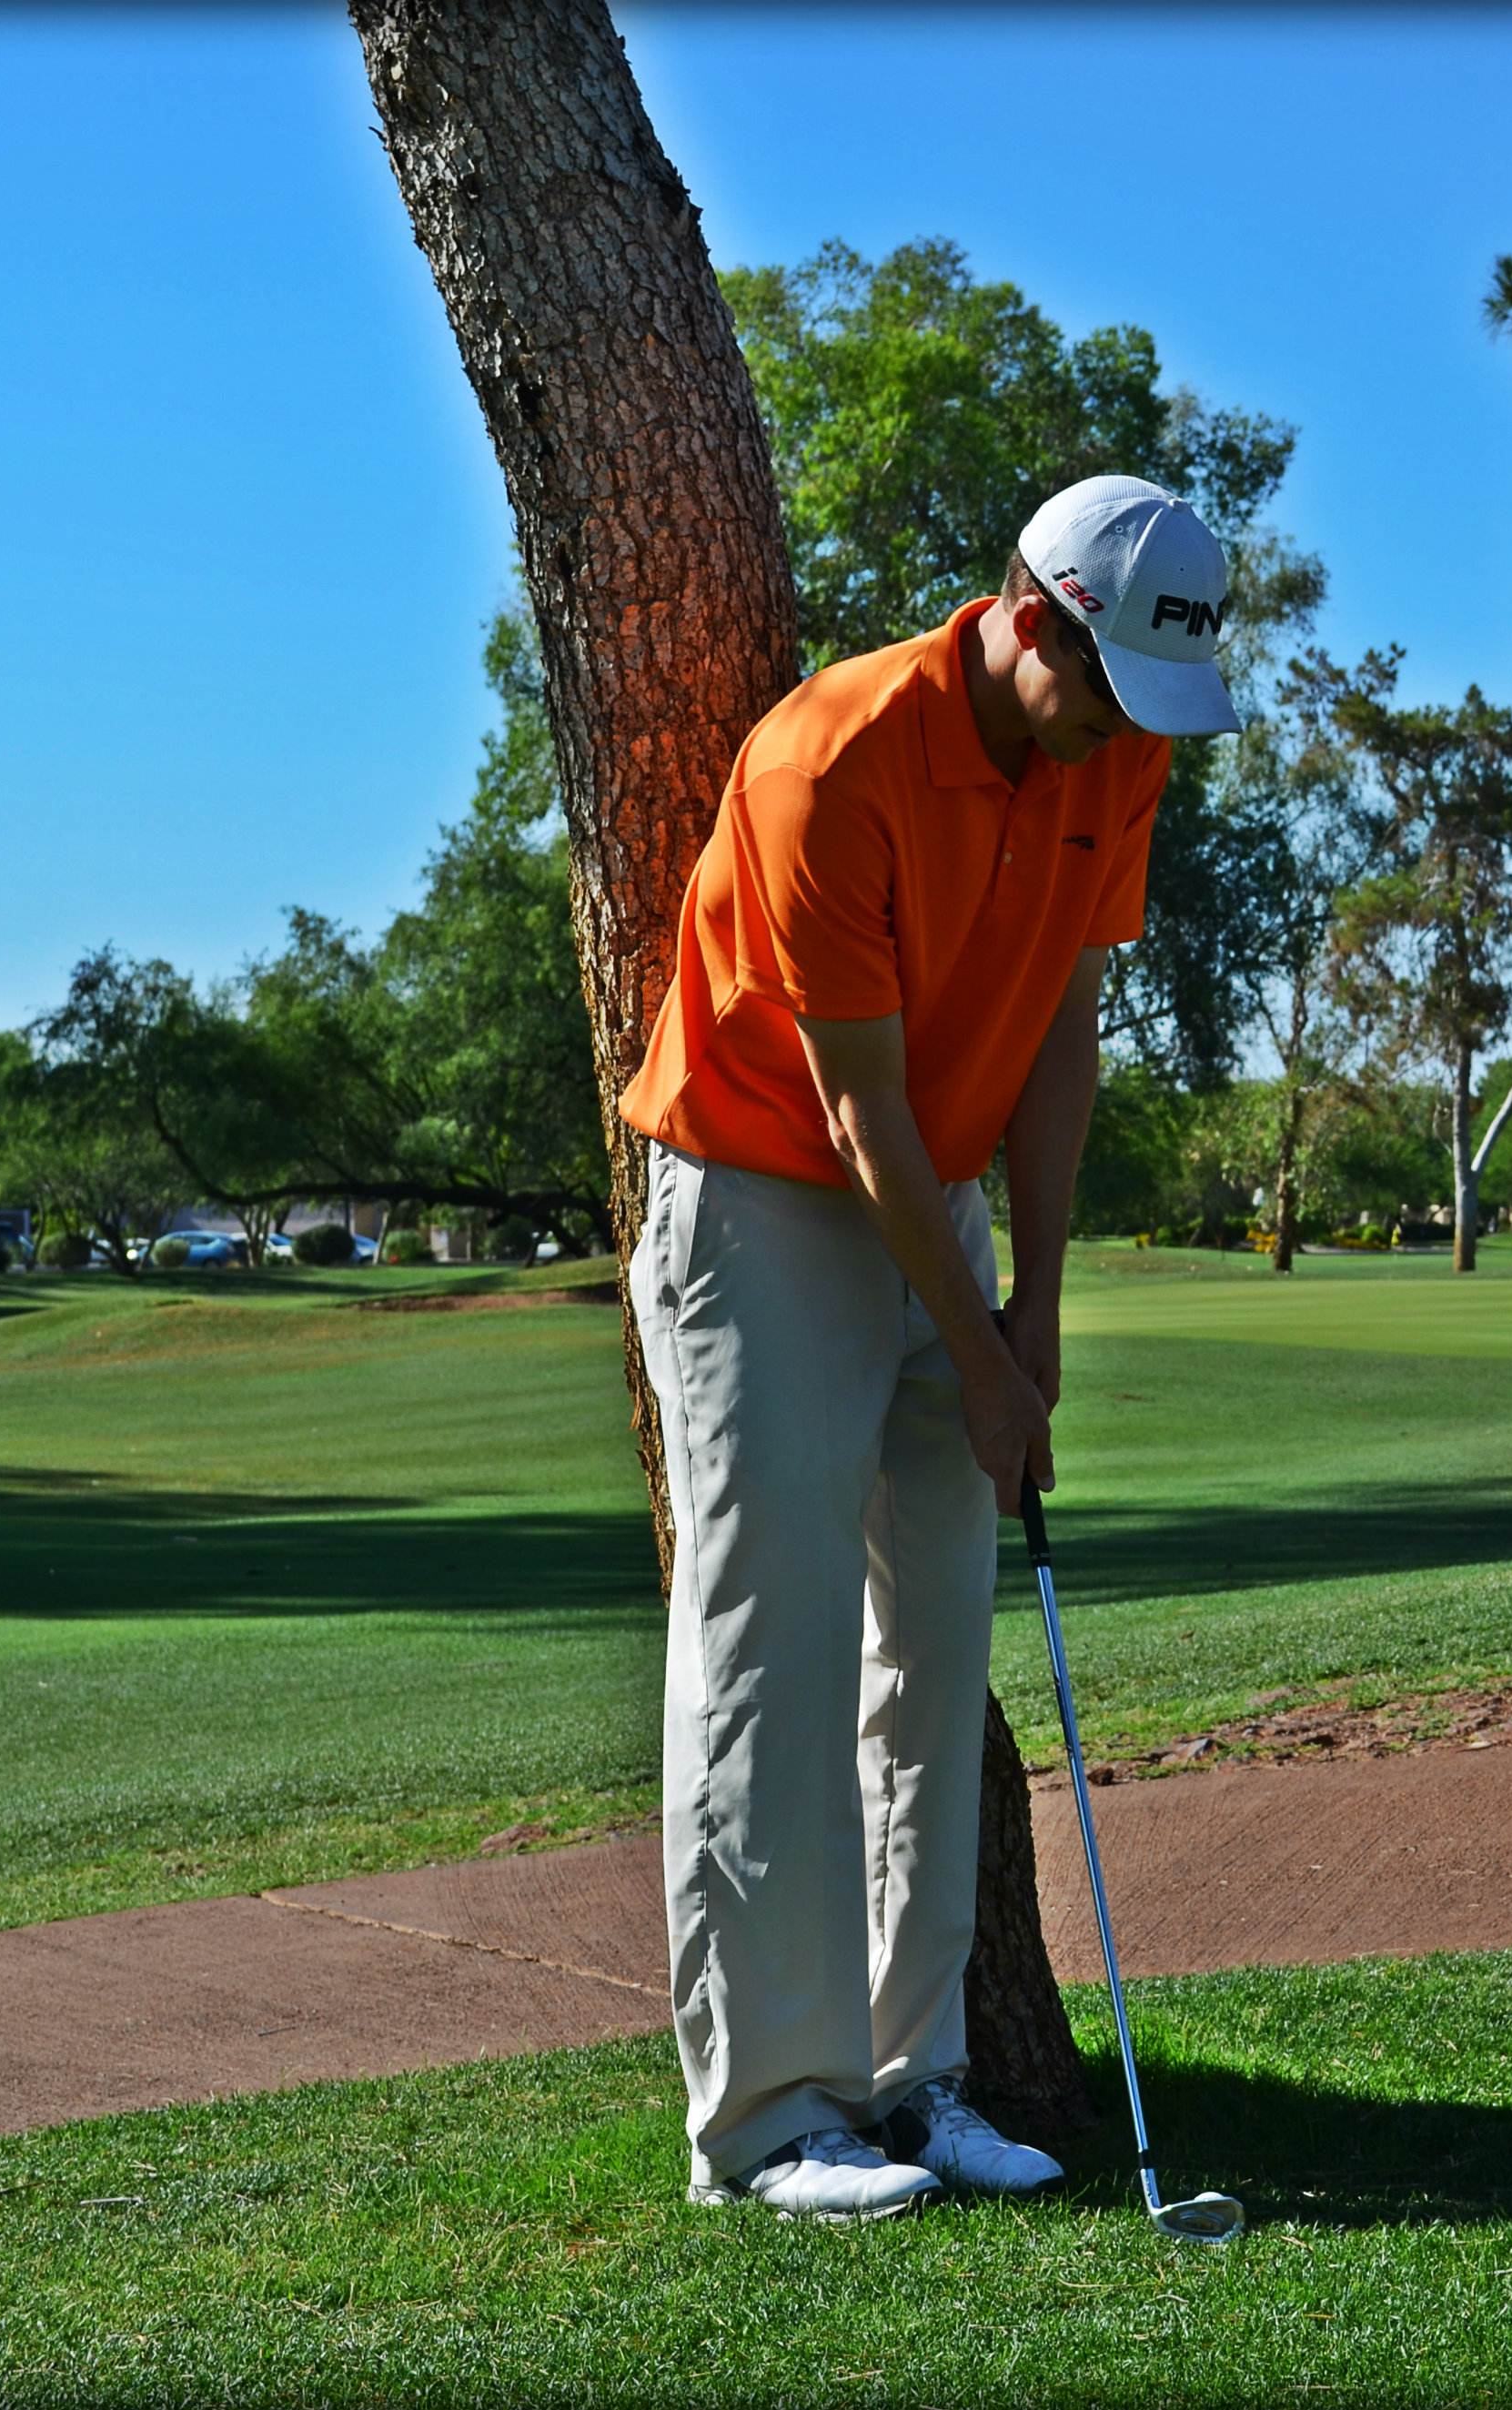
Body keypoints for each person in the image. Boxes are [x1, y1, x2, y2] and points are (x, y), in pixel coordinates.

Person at [616, 476, 1239, 2221]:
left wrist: (1037, 1312)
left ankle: (918, 2076)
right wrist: (976, 1353)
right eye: (1113, 690)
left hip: (937, 1191)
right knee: (776, 1639)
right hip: (763, 1190)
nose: (1133, 735)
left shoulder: (1117, 747)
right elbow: (855, 1105)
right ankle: (769, 2119)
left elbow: (1059, 1033)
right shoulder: (831, 761)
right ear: (1032, 620)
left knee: (937, 1642)